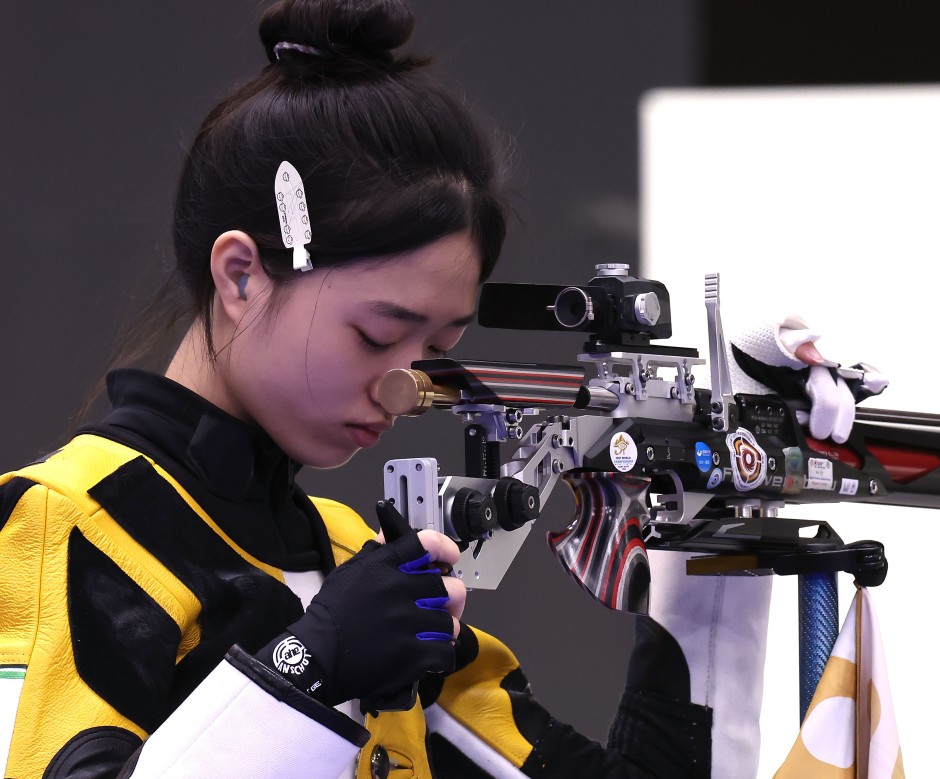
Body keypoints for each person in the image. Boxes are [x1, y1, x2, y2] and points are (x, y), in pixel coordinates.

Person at [0, 1, 728, 777]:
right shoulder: (65, 523)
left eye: (439, 350)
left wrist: (716, 546)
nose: (406, 389)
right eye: (378, 336)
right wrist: (306, 666)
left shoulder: (356, 560)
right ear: (240, 275)